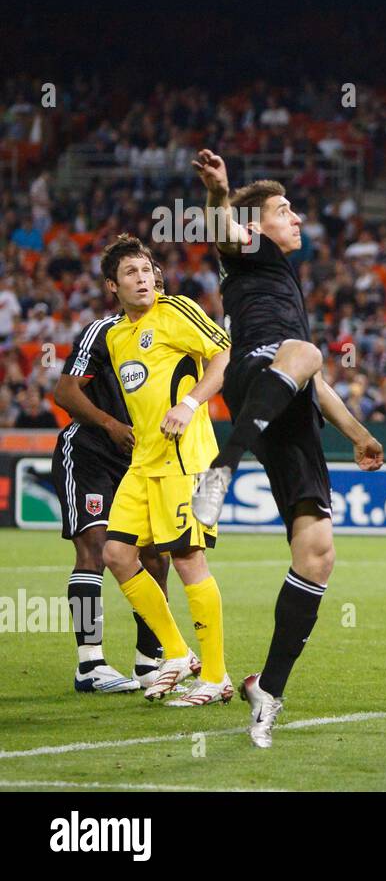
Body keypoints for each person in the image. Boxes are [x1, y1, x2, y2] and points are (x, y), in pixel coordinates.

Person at [190, 149, 385, 746]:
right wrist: (221, 192)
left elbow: (313, 379)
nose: (296, 218)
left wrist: (358, 434)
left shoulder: (282, 280)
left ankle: (267, 690)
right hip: (254, 373)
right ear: (256, 227)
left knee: (318, 552)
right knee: (306, 351)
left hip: (285, 396)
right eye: (284, 210)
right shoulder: (251, 253)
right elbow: (222, 230)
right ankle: (223, 466)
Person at [96, 235, 232, 705]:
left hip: (188, 459)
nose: (142, 279)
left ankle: (214, 676)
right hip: (144, 462)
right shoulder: (115, 336)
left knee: (187, 559)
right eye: (130, 273)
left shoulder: (176, 310)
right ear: (113, 285)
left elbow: (224, 356)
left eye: (147, 269)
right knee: (115, 554)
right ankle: (176, 653)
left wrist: (191, 403)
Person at [51, 295, 172, 693]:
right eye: (136, 275)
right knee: (96, 548)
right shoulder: (103, 332)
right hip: (90, 452)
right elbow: (65, 392)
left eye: (155, 278)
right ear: (115, 286)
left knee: (157, 556)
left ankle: (149, 663)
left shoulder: (170, 335)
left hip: (140, 461)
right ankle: (90, 665)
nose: (149, 285)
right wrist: (109, 424)